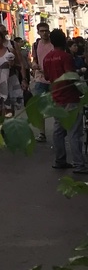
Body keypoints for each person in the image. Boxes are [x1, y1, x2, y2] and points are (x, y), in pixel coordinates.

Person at [42, 30, 87, 173]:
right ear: (64, 41)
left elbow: (48, 77)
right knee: (74, 132)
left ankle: (60, 160)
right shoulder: (66, 57)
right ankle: (79, 164)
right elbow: (71, 76)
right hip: (70, 97)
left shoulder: (47, 58)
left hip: (56, 97)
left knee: (59, 131)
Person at [30, 23, 54, 140]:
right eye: (42, 31)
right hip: (40, 79)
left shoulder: (54, 44)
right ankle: (42, 133)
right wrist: (34, 65)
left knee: (56, 106)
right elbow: (34, 59)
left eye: (46, 31)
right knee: (40, 107)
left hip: (53, 79)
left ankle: (59, 130)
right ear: (38, 32)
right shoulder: (35, 45)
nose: (44, 33)